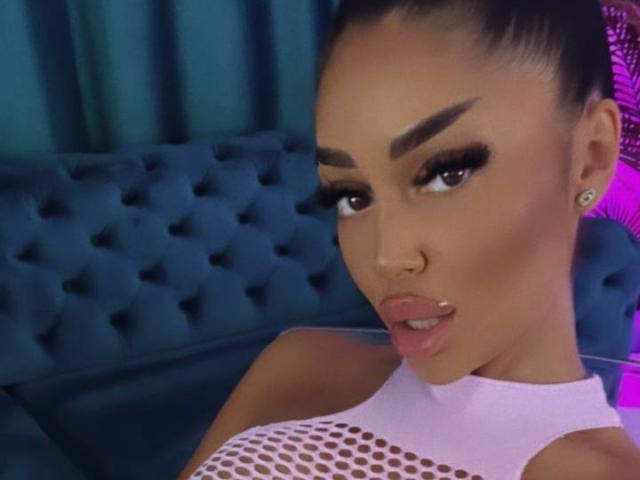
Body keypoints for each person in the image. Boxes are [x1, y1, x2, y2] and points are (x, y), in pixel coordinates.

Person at [181, 1, 640, 478]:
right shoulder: (295, 366)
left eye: (446, 175)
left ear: (590, 158)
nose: (387, 257)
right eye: (352, 196)